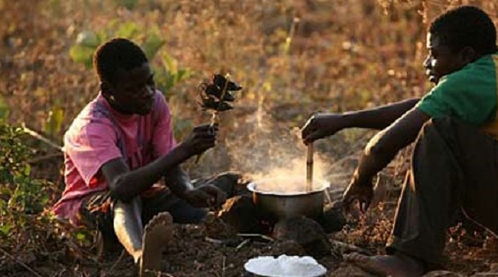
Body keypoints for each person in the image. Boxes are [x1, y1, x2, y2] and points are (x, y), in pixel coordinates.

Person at [301, 5, 498, 276]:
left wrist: (361, 180)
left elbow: (384, 144)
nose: (427, 64)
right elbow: (420, 107)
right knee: (449, 131)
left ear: (466, 55)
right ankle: (469, 232)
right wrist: (345, 120)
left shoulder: (471, 80)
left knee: (438, 133)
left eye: (434, 55)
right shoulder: (487, 73)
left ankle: (408, 258)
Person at [52, 38, 240, 276]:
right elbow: (120, 186)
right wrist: (183, 150)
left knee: (229, 181)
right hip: (93, 208)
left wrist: (187, 191)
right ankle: (141, 256)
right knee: (127, 200)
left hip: (144, 196)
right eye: (134, 89)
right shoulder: (93, 125)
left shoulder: (155, 103)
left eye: (150, 82)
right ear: (108, 91)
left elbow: (172, 171)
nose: (148, 93)